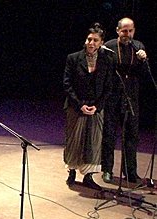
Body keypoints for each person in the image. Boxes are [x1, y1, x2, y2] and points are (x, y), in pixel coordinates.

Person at [63, 23, 114, 190]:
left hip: (95, 107)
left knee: (93, 142)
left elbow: (108, 86)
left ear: (101, 42)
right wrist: (80, 105)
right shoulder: (73, 58)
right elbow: (67, 83)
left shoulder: (107, 60)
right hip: (76, 105)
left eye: (95, 40)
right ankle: (71, 171)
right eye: (89, 39)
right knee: (74, 140)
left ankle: (89, 176)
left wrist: (97, 106)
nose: (91, 43)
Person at [101, 17, 149, 184]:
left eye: (130, 31)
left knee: (131, 137)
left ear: (133, 31)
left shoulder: (139, 47)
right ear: (117, 31)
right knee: (109, 135)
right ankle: (107, 170)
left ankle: (130, 172)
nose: (127, 34)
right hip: (113, 97)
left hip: (131, 98)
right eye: (124, 31)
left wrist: (144, 60)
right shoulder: (109, 46)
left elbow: (143, 75)